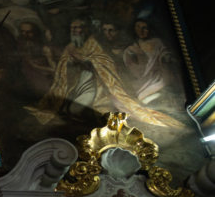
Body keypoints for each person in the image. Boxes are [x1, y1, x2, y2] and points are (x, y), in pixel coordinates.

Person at [25, 19, 182, 129]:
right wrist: (52, 60)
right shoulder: (70, 46)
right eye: (72, 28)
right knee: (68, 109)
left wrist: (83, 61)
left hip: (96, 85)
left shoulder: (93, 44)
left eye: (77, 28)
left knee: (76, 110)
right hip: (74, 85)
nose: (75, 31)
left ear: (84, 30)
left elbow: (102, 62)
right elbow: (60, 69)